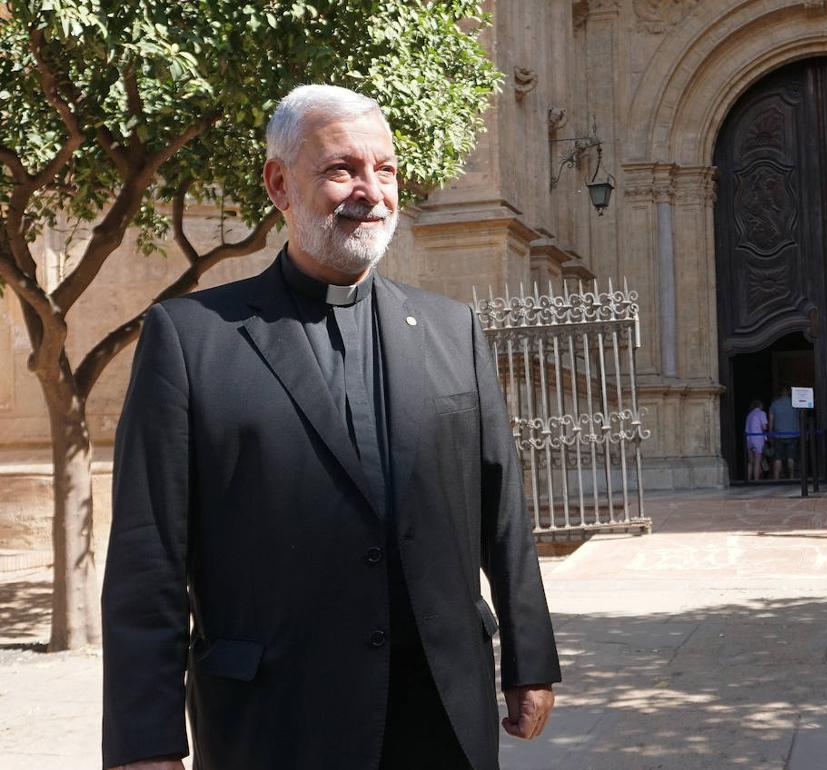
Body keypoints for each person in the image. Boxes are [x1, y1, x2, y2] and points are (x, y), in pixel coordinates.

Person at [101, 85, 560, 770]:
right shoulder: (192, 340)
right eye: (342, 169)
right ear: (280, 184)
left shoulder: (451, 329)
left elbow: (503, 509)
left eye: (387, 169)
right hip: (276, 721)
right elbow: (149, 555)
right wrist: (147, 738)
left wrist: (530, 656)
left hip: (437, 713)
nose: (370, 191)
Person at [769, 386, 800, 479]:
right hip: (792, 434)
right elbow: (799, 418)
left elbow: (771, 420)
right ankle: (791, 476)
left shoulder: (774, 404)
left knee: (778, 458)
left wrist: (770, 433)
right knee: (791, 457)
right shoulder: (794, 404)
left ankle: (776, 478)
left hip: (778, 434)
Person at [744, 399, 769, 482]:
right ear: (760, 405)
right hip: (758, 438)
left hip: (749, 439)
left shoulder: (749, 415)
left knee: (750, 461)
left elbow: (746, 429)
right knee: (758, 460)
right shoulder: (761, 413)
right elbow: (764, 427)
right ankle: (756, 480)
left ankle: (748, 479)